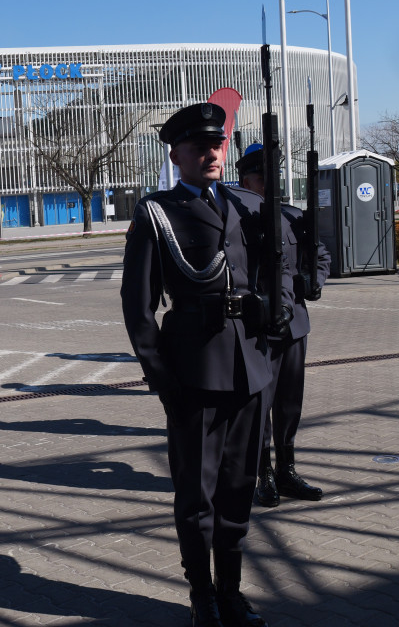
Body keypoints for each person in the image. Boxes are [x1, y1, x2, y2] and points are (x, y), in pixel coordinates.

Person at [121, 103, 293, 627]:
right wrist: (162, 379)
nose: (211, 153)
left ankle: (232, 592)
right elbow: (138, 308)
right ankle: (202, 597)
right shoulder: (159, 213)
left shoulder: (245, 206)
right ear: (176, 155)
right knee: (197, 496)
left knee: (239, 489)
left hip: (249, 368)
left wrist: (277, 310)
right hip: (193, 373)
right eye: (198, 147)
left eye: (217, 145)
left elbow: (281, 263)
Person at [236, 144, 330, 508]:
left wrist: (315, 279)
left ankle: (287, 469)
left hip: (294, 326)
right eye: (261, 179)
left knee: (290, 404)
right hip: (257, 328)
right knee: (260, 403)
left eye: (272, 178)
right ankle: (264, 474)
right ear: (246, 180)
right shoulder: (236, 218)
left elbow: (319, 253)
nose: (268, 186)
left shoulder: (292, 216)